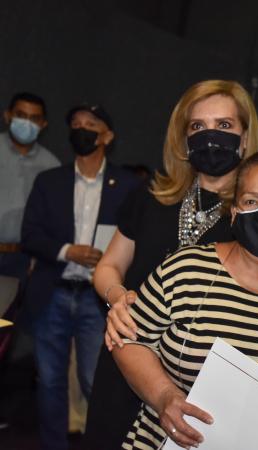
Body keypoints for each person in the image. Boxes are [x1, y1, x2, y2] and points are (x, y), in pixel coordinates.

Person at [83, 79, 258, 449]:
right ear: (183, 139)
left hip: (197, 384)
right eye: (198, 126)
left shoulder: (255, 217)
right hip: (127, 358)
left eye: (224, 125)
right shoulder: (151, 196)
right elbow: (108, 266)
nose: (210, 136)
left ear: (245, 138)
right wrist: (118, 299)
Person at [111, 149, 258, 450]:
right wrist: (163, 396)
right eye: (252, 201)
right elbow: (128, 339)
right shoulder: (186, 268)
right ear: (235, 212)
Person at [21, 103, 139, 450]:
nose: (81, 129)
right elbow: (31, 235)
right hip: (53, 291)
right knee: (50, 382)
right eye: (76, 123)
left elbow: (136, 240)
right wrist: (67, 251)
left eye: (91, 124)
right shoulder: (49, 181)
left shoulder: (129, 186)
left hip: (97, 298)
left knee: (94, 380)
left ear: (107, 136)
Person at [0, 92, 59, 281]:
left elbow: (52, 218)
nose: (27, 123)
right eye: (21, 115)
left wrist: (40, 256)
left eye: (34, 118)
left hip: (22, 258)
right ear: (7, 116)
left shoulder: (51, 166)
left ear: (43, 124)